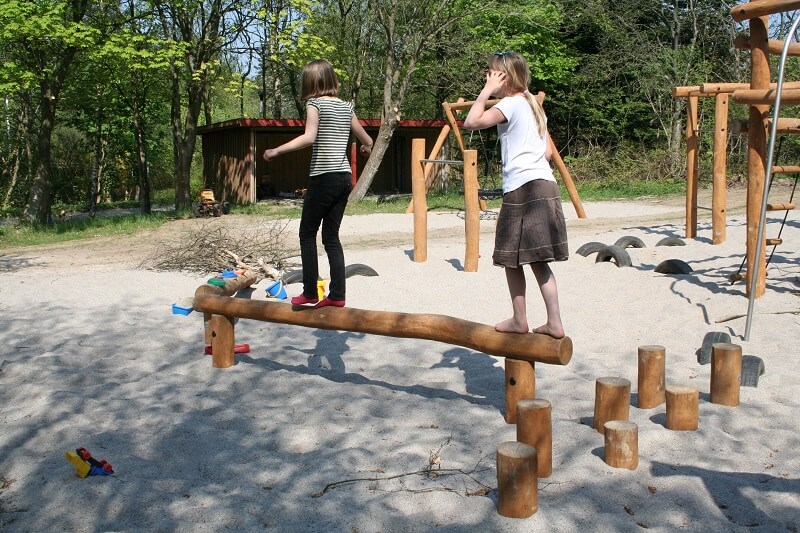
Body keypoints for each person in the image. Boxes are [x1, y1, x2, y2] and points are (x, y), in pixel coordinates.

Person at [462, 51, 568, 338]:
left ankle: (520, 319)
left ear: (504, 76)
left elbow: (470, 122)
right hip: (546, 186)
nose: (488, 76)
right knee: (538, 259)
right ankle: (554, 321)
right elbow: (546, 152)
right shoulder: (535, 105)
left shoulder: (509, 103)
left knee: (510, 256)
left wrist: (486, 91)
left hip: (523, 189)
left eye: (492, 73)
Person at [263, 59, 373, 308]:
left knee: (307, 233)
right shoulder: (347, 107)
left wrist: (277, 150)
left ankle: (311, 292)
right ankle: (337, 295)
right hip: (344, 178)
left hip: (324, 177)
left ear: (310, 83)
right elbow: (367, 140)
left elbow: (309, 137)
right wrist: (365, 148)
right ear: (331, 79)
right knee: (331, 237)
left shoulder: (314, 104)